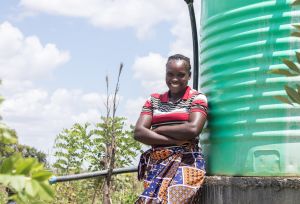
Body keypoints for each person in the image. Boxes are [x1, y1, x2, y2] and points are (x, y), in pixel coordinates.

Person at [133, 54, 208, 204]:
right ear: (165, 73)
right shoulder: (153, 100)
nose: (174, 79)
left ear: (189, 76)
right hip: (158, 162)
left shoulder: (197, 98)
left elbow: (193, 129)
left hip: (187, 161)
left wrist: (158, 129)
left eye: (180, 75)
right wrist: (174, 139)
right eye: (170, 74)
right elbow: (139, 132)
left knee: (172, 200)